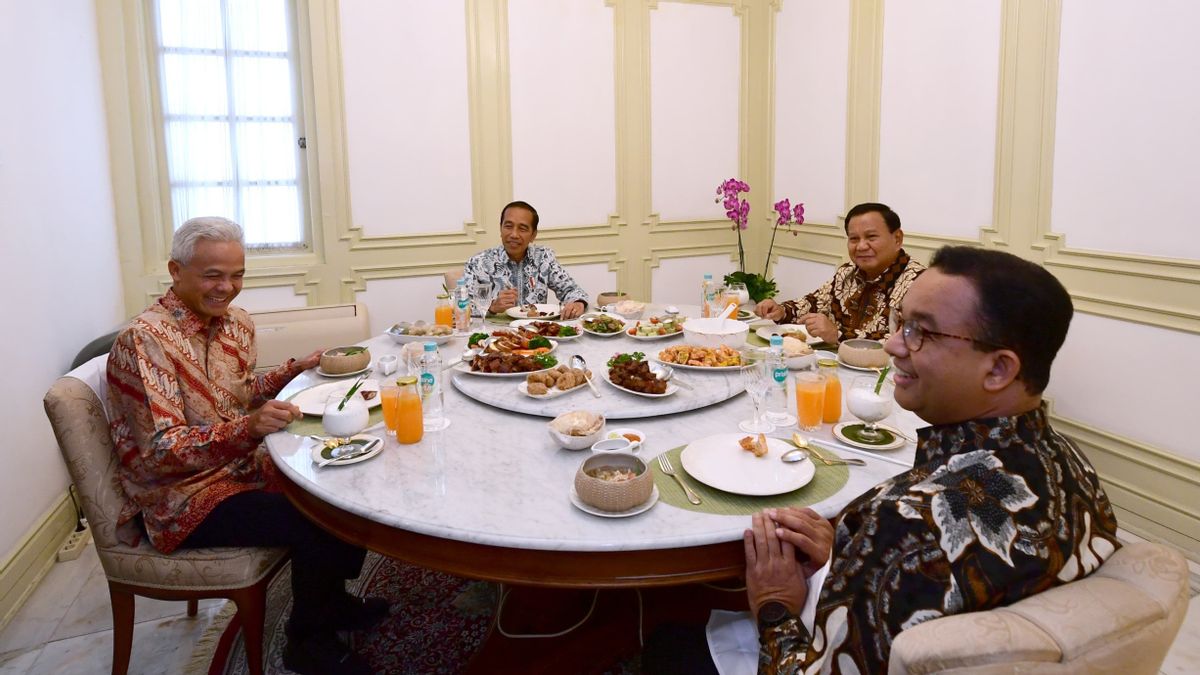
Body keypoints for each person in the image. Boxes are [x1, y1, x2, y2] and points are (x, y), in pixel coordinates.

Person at [742, 246, 1120, 673]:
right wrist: (856, 560)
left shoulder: (905, 519)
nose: (891, 344)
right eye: (901, 322)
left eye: (921, 332)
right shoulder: (1071, 464)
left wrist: (774, 607)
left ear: (998, 370)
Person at [106, 217, 385, 675]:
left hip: (240, 467)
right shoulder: (144, 341)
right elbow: (162, 451)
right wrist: (248, 430)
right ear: (176, 271)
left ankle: (331, 602)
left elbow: (239, 392)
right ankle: (307, 643)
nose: (227, 287)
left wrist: (297, 368)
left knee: (342, 480)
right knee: (316, 516)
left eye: (237, 275)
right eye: (212, 274)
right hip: (181, 498)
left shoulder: (236, 324)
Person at [755, 202, 924, 344]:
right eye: (854, 239)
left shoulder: (921, 284)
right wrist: (782, 310)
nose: (861, 246)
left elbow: (909, 340)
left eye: (871, 237)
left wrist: (838, 335)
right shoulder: (847, 272)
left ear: (897, 239)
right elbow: (815, 302)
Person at [462, 200, 590, 319]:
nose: (514, 234)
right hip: (495, 336)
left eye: (522, 229)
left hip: (536, 334)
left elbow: (572, 291)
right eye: (508, 226)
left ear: (533, 235)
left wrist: (578, 303)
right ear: (500, 228)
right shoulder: (478, 263)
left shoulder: (544, 258)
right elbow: (461, 306)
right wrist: (492, 307)